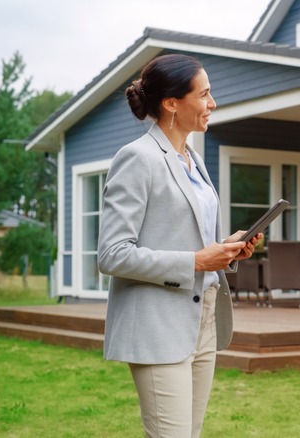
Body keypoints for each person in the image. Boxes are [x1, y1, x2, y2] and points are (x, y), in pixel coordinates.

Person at [98, 53, 261, 438]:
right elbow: (112, 253)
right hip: (157, 324)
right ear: (172, 103)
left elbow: (191, 240)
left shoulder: (194, 161)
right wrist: (195, 261)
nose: (213, 103)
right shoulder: (137, 158)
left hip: (202, 318)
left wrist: (226, 248)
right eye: (204, 94)